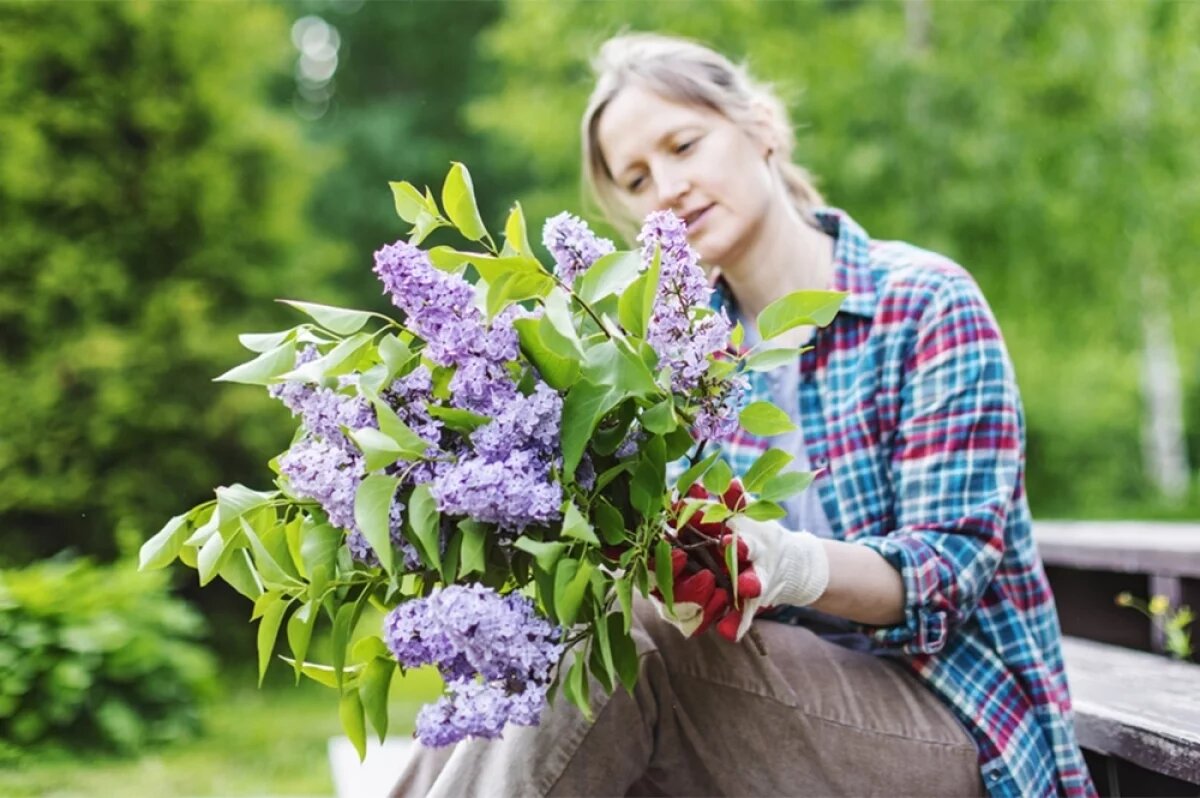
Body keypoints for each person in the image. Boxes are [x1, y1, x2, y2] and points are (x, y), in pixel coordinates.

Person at [392, 32, 1095, 798]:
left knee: (633, 651)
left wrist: (786, 563)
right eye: (636, 178)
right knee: (545, 658)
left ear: (760, 125)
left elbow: (947, 572)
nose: (666, 186)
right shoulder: (676, 366)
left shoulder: (925, 303)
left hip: (952, 719)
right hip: (765, 709)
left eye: (684, 145)